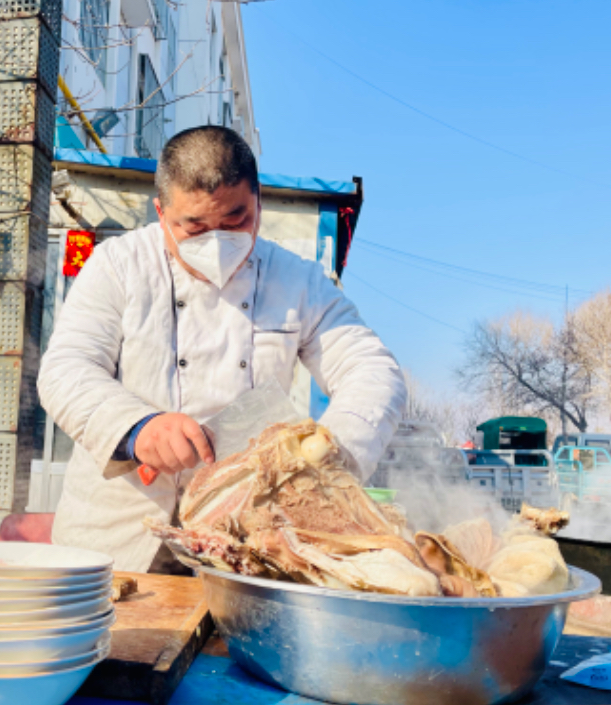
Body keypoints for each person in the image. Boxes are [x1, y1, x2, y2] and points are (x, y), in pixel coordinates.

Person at [37, 126, 407, 574]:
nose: (216, 240)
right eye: (193, 227)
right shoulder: (118, 266)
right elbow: (65, 369)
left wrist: (330, 457)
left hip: (246, 538)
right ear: (160, 212)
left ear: (258, 206)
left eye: (236, 222)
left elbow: (372, 370)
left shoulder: (298, 281)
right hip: (117, 536)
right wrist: (139, 429)